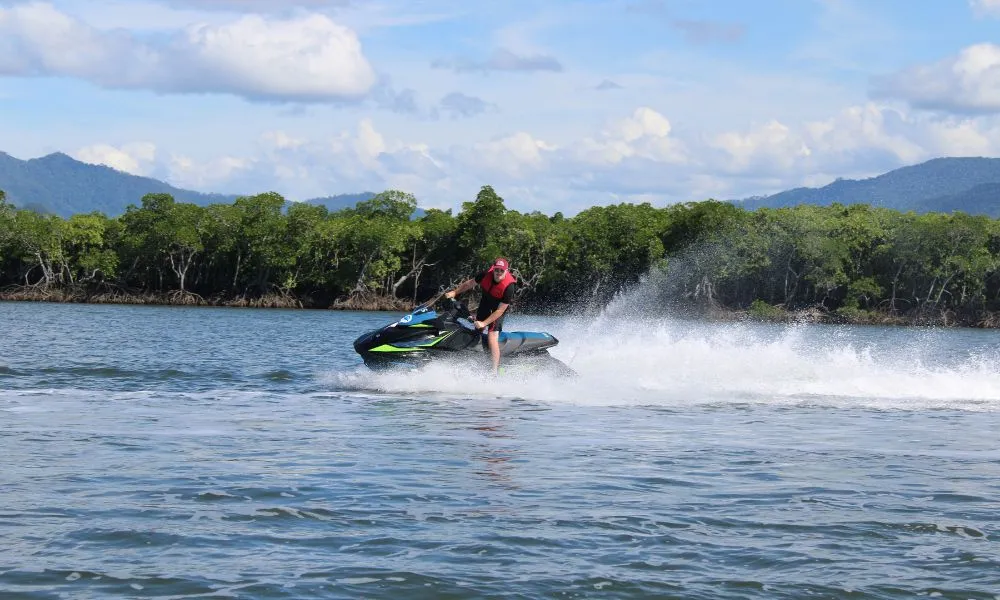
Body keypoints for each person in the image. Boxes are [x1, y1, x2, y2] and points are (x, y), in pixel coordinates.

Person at [444, 257, 518, 375]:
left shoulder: (509, 287)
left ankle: (494, 372)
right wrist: (455, 292)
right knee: (477, 329)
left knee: (492, 336)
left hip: (498, 309)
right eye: (497, 270)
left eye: (501, 271)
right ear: (493, 269)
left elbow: (500, 311)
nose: (498, 273)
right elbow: (469, 283)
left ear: (506, 271)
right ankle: (473, 356)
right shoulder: (485, 275)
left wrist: (484, 323)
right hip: (486, 302)